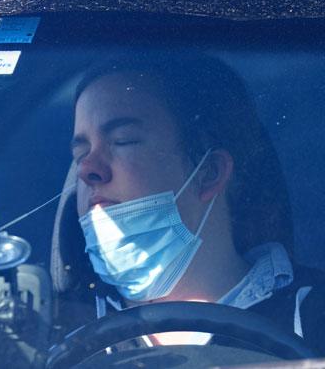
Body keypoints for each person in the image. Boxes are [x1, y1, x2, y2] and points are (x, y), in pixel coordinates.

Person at [65, 54, 325, 347]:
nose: (87, 169)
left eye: (123, 140)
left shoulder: (316, 318)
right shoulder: (48, 332)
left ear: (208, 173)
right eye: (80, 154)